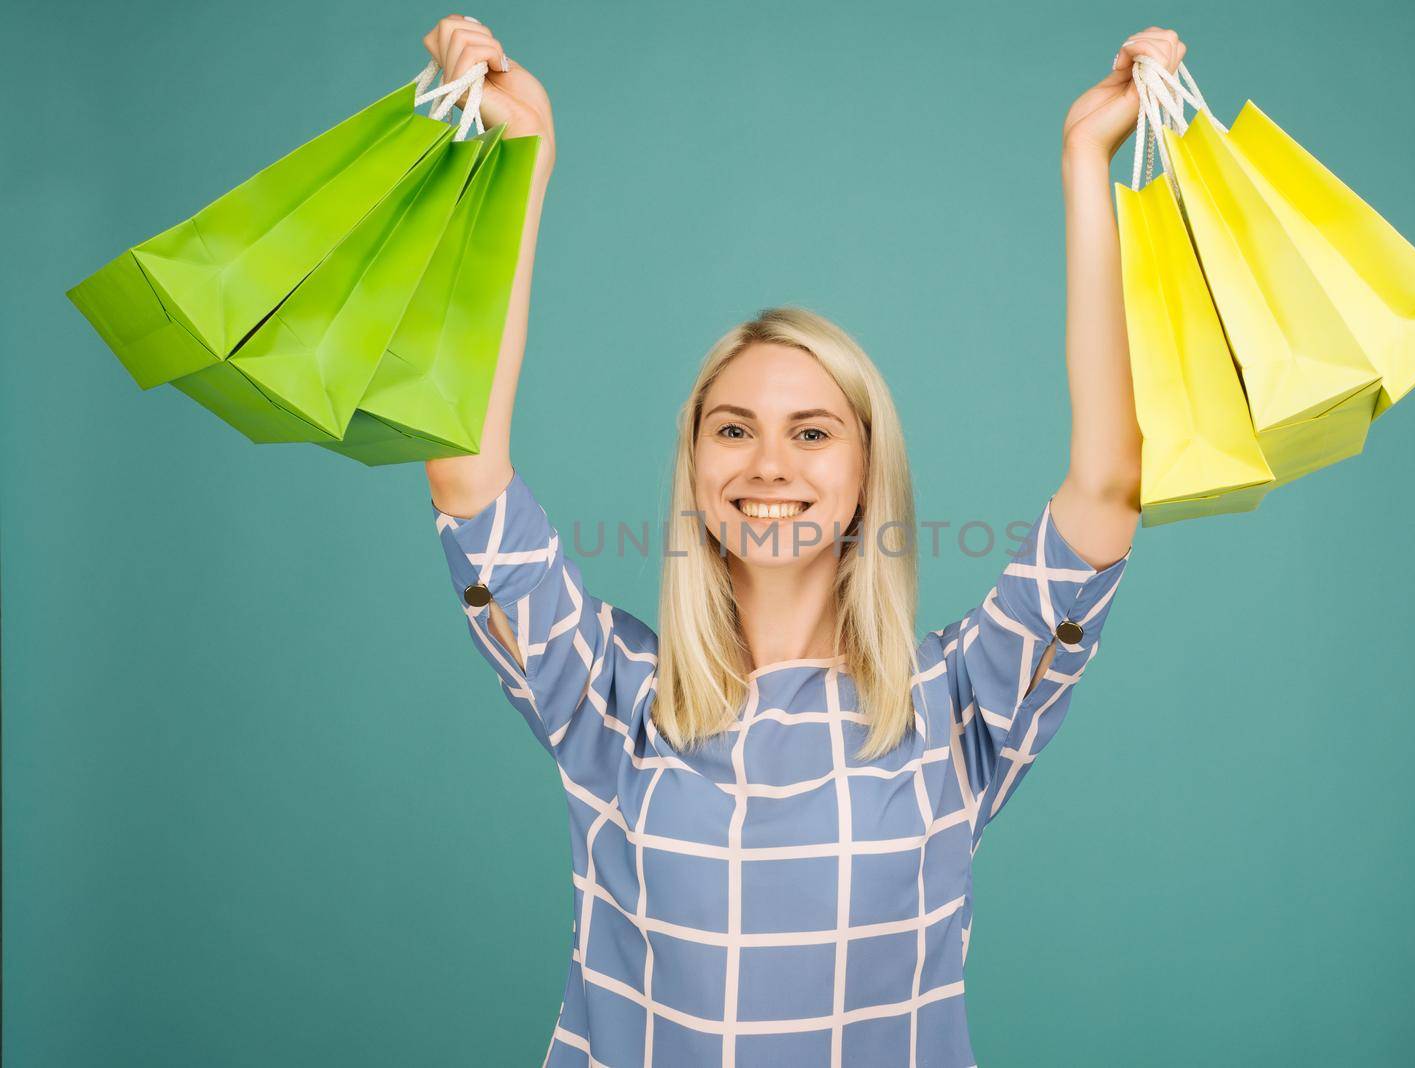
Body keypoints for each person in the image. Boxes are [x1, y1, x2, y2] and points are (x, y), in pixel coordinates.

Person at [422, 14, 1177, 1067]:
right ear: (693, 466)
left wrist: (1085, 163)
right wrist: (523, 164)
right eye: (732, 430)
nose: (768, 465)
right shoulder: (609, 693)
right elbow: (464, 467)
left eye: (812, 433)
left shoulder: (954, 705)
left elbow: (1111, 480)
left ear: (868, 473)